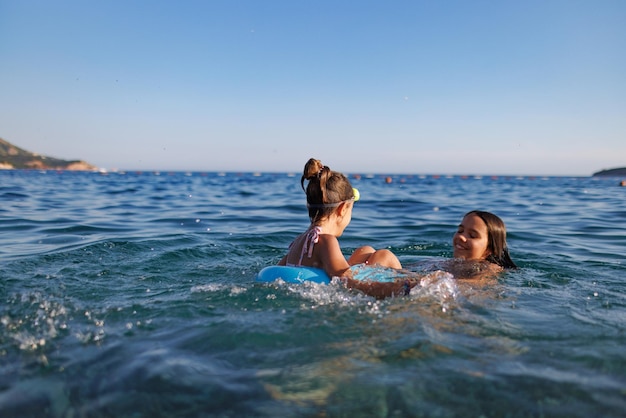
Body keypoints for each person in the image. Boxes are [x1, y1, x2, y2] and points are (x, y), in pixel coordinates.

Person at [347, 210, 517, 299]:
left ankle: (344, 285)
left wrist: (424, 282)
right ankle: (343, 282)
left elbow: (472, 288)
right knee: (365, 251)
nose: (461, 237)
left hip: (422, 293)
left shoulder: (490, 268)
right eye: (460, 230)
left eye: (472, 235)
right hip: (412, 285)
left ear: (490, 249)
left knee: (383, 256)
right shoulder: (447, 262)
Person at [278, 158, 402, 279]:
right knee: (384, 256)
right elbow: (344, 278)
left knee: (365, 251)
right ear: (342, 209)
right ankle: (409, 288)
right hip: (342, 295)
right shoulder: (326, 241)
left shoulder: (299, 241)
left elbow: (279, 270)